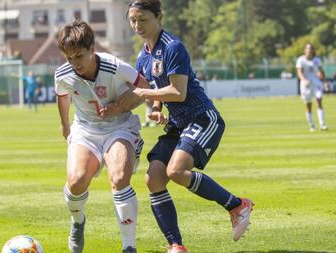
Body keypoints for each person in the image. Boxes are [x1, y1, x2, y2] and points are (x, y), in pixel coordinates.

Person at [126, 1, 254, 252]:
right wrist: (155, 110)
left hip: (202, 118)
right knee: (153, 178)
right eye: (133, 20)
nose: (137, 25)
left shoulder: (173, 47)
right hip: (178, 124)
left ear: (158, 17)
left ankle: (237, 204)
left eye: (143, 19)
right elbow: (157, 96)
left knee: (176, 171)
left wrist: (143, 93)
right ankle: (176, 245)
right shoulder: (143, 56)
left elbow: (178, 91)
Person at [54, 20, 150, 253]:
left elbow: (145, 87)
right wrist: (65, 125)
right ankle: (77, 223)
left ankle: (129, 246)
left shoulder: (115, 66)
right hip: (86, 130)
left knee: (118, 178)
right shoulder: (63, 74)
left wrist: (121, 106)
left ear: (92, 49)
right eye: (69, 58)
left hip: (120, 126)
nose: (74, 64)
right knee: (76, 181)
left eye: (79, 56)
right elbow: (62, 95)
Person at [296, 43, 327, 131]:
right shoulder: (301, 60)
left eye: (311, 49)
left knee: (319, 100)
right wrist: (304, 80)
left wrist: (324, 80)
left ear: (313, 51)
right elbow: (299, 72)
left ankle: (322, 124)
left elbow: (321, 71)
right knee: (308, 105)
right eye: (307, 48)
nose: (309, 50)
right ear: (305, 50)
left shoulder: (317, 60)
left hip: (316, 83)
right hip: (306, 85)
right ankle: (312, 125)